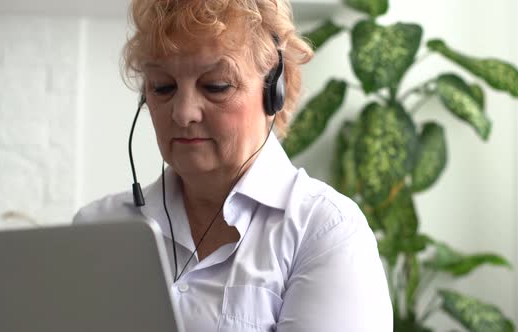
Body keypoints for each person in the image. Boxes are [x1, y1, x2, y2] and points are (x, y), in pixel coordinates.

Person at [73, 0, 393, 330]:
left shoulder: (325, 231)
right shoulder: (96, 228)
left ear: (274, 91)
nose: (183, 113)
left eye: (216, 86)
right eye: (162, 87)